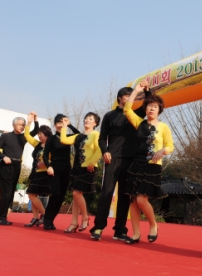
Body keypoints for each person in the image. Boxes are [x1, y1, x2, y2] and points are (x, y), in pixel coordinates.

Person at [90, 86, 151, 242]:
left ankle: (120, 230)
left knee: (125, 196)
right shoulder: (110, 116)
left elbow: (149, 103)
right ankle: (98, 227)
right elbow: (102, 138)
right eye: (127, 96)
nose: (131, 98)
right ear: (120, 98)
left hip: (131, 159)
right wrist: (105, 151)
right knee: (106, 192)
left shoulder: (136, 114)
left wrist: (147, 90)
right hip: (113, 158)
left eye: (133, 96)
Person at [123, 80, 174, 244]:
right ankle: (136, 233)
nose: (151, 109)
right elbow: (126, 109)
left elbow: (170, 146)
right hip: (136, 164)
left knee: (141, 199)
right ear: (145, 109)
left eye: (155, 106)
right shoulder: (139, 123)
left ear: (159, 110)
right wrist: (136, 90)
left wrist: (162, 151)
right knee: (133, 201)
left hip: (153, 166)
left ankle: (153, 225)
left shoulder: (164, 127)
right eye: (149, 106)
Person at [0, 117, 39, 225]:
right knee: (6, 193)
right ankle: (1, 218)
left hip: (17, 166)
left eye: (24, 125)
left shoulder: (23, 137)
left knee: (11, 192)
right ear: (14, 125)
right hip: (6, 165)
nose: (22, 126)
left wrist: (33, 120)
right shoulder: (6, 136)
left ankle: (0, 217)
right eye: (20, 124)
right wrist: (3, 157)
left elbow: (36, 130)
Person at [60, 112, 101, 233]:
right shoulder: (78, 136)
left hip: (89, 167)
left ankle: (84, 217)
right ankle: (74, 223)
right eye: (86, 118)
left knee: (77, 194)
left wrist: (92, 163)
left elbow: (99, 150)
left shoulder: (95, 134)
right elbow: (64, 140)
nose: (87, 120)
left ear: (95, 123)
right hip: (77, 167)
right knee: (76, 195)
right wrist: (64, 126)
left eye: (90, 119)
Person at [42, 114, 80, 230]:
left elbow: (79, 135)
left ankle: (51, 220)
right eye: (59, 123)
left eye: (63, 122)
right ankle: (47, 219)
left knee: (61, 196)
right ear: (55, 125)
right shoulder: (52, 139)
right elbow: (44, 155)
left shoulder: (68, 137)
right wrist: (48, 166)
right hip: (54, 169)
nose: (61, 125)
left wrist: (70, 125)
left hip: (66, 169)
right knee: (56, 193)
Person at [23, 112, 53, 227]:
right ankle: (35, 217)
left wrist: (45, 165)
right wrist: (30, 122)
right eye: (39, 134)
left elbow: (55, 161)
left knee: (32, 195)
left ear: (47, 135)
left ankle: (44, 215)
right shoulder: (37, 144)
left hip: (45, 174)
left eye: (42, 134)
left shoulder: (52, 146)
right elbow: (27, 136)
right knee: (33, 195)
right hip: (35, 173)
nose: (39, 136)